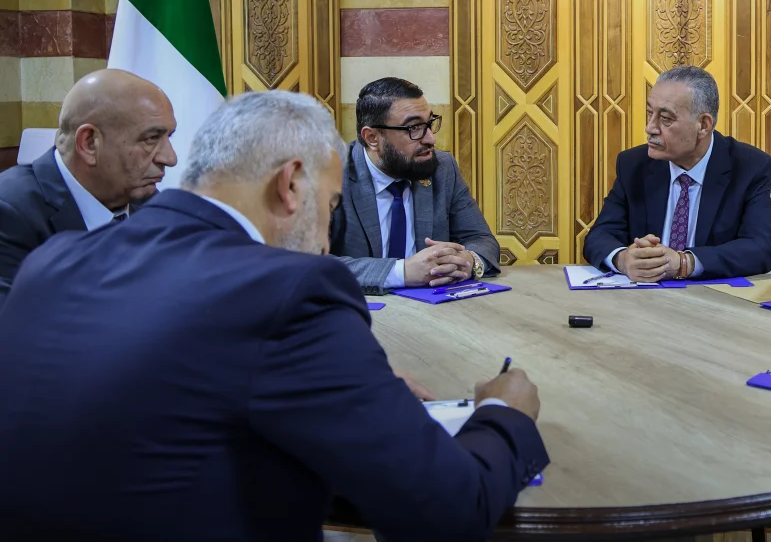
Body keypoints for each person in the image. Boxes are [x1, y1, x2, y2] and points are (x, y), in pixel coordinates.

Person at [0, 91, 548, 542]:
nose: (326, 234)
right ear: (289, 185)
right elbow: (447, 509)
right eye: (330, 204)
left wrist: (348, 385)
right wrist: (504, 412)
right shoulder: (294, 292)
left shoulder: (53, 259)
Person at [583, 66, 771, 280]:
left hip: (713, 296)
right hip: (644, 295)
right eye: (649, 113)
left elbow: (760, 249)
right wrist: (624, 259)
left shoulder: (750, 167)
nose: (650, 128)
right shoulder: (634, 165)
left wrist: (684, 263)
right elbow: (599, 236)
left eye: (666, 118)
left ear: (703, 125)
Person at [0, 68, 176, 305]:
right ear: (89, 143)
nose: (170, 158)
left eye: (169, 137)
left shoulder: (150, 203)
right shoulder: (9, 212)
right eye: (151, 139)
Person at [329, 77, 500, 294]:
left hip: (433, 308)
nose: (430, 139)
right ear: (372, 137)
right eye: (414, 128)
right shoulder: (329, 175)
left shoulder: (442, 168)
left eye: (429, 124)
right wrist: (402, 272)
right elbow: (309, 263)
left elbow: (482, 239)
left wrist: (467, 261)